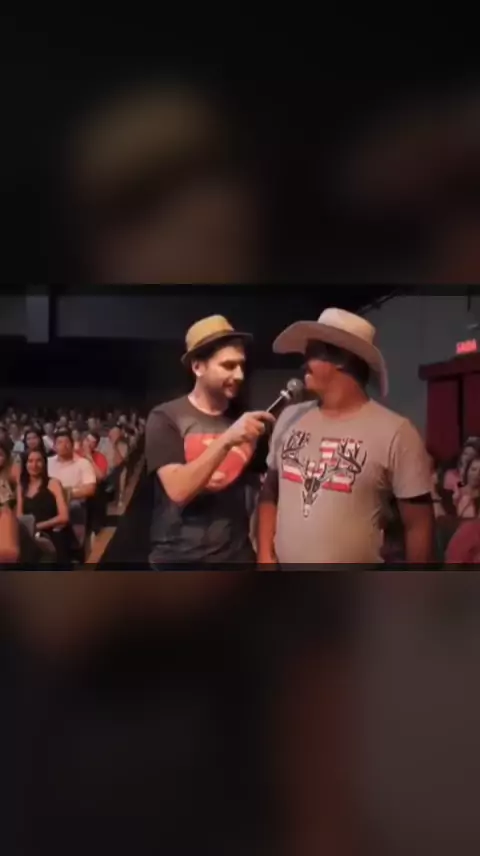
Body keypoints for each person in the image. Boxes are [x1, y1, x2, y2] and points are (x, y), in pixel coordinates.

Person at [257, 307, 434, 566]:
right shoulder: (289, 417)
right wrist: (264, 553)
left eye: (313, 352)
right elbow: (270, 490)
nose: (304, 362)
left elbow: (418, 524)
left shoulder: (396, 432)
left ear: (341, 359)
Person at [145, 315, 274, 568]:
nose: (239, 375)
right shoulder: (166, 417)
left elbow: (262, 491)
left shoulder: (245, 421)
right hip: (177, 560)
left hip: (236, 558)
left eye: (241, 365)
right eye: (228, 366)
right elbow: (179, 491)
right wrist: (228, 439)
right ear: (198, 367)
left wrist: (263, 551)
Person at [16, 448, 70, 562]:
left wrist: (37, 527)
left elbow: (64, 517)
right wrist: (30, 530)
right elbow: (20, 517)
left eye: (38, 461)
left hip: (52, 532)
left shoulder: (53, 483)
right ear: (25, 464)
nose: (34, 465)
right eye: (30, 461)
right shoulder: (21, 487)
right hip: (29, 535)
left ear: (44, 463)